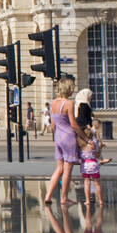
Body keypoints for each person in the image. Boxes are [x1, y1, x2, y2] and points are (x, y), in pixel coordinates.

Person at [45, 78, 84, 206]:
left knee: (59, 168)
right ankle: (64, 198)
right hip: (68, 138)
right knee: (68, 169)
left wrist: (57, 135)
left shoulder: (52, 103)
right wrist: (84, 137)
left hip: (58, 137)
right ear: (69, 89)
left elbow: (53, 125)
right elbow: (73, 124)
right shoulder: (69, 103)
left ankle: (48, 195)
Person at [80, 124, 104, 207]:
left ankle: (87, 200)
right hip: (93, 164)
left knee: (87, 183)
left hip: (85, 165)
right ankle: (100, 200)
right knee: (97, 183)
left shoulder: (81, 146)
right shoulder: (93, 145)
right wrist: (100, 148)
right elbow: (97, 155)